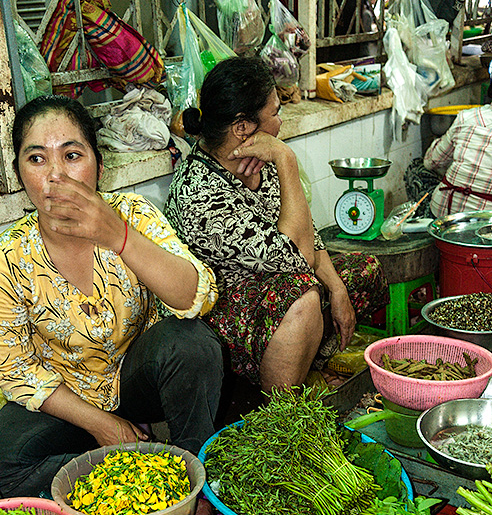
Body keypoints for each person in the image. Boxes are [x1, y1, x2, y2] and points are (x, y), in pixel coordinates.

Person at [0, 95, 223, 498]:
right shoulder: (5, 258)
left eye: (72, 155)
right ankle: (133, 471)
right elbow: (13, 367)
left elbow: (198, 296)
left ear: (99, 166)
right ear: (20, 174)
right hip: (69, 395)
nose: (56, 176)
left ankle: (197, 481)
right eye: (36, 159)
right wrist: (100, 424)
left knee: (191, 343)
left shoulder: (133, 215)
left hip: (139, 380)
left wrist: (116, 236)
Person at [164, 57, 389, 392]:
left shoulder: (254, 158)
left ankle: (308, 365)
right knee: (303, 295)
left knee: (363, 270)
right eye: (275, 112)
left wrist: (339, 289)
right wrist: (287, 159)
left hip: (283, 285)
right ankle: (280, 404)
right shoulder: (200, 193)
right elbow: (299, 256)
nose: (280, 123)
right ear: (242, 127)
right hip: (228, 315)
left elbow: (307, 232)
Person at [405, 104, 492, 219]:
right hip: (484, 224)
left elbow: (431, 161)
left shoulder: (468, 117)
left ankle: (422, 222)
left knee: (416, 168)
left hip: (443, 215)